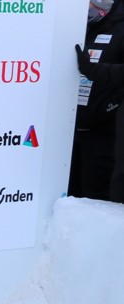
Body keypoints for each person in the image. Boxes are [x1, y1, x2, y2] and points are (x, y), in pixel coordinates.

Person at [71, 0, 124, 201]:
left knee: (95, 198)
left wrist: (93, 70)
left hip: (104, 135)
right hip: (69, 132)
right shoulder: (76, 25)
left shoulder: (119, 26)